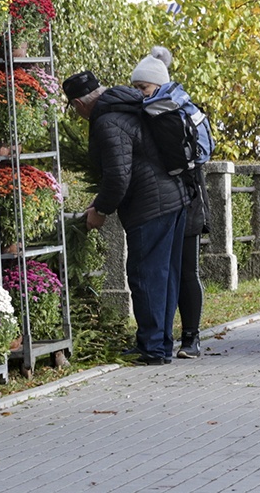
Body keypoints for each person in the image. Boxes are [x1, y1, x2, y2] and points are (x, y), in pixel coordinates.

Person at [62, 70, 188, 364]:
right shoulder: (131, 103)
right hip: (175, 197)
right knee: (165, 275)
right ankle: (161, 342)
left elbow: (119, 176)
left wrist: (101, 210)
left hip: (150, 206)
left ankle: (152, 347)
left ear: (79, 104)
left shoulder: (107, 121)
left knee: (145, 275)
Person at [131, 46, 210, 358]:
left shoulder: (167, 110)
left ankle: (191, 337)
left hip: (186, 198)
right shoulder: (170, 107)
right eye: (136, 88)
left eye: (143, 87)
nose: (139, 93)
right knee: (179, 270)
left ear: (159, 84)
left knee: (186, 270)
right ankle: (183, 338)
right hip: (187, 195)